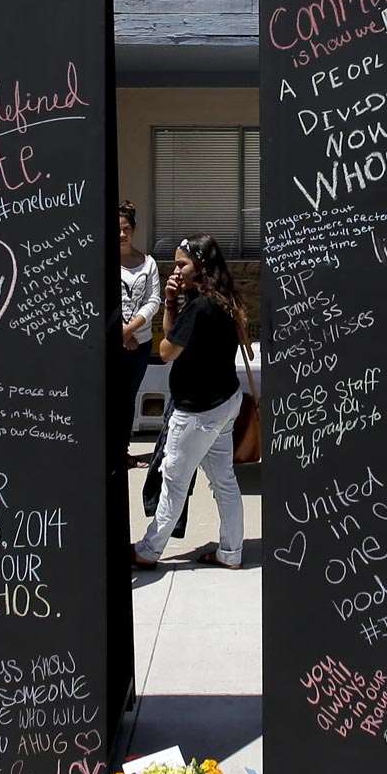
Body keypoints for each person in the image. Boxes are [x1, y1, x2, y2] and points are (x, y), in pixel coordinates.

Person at [131, 234, 246, 571]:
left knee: (174, 481)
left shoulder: (200, 307)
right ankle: (231, 551)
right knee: (224, 481)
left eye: (182, 263)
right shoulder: (224, 299)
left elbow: (166, 351)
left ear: (202, 266)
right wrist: (170, 302)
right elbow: (176, 335)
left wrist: (177, 307)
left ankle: (149, 550)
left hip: (197, 410)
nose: (176, 269)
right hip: (225, 401)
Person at [115, 202, 160, 469]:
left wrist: (130, 330)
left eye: (127, 229)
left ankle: (123, 450)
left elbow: (153, 300)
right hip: (114, 343)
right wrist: (120, 334)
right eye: (118, 230)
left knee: (129, 396)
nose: (122, 235)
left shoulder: (148, 263)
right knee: (111, 396)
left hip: (139, 343)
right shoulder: (104, 260)